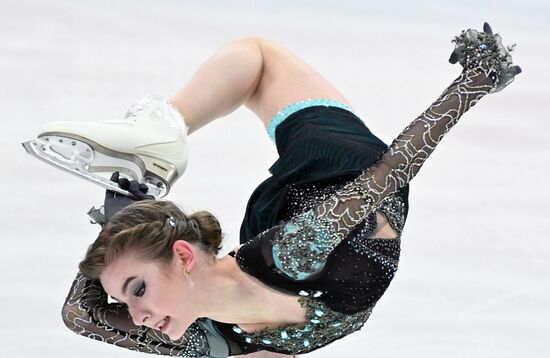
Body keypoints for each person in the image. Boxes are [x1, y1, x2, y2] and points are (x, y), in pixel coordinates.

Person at [55, 23, 520, 357]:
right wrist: (124, 226)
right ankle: (150, 163)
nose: (136, 317)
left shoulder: (291, 256)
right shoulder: (212, 338)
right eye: (129, 299)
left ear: (183, 256)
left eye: (136, 290)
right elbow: (82, 313)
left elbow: (391, 172)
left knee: (256, 57)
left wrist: (475, 82)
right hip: (315, 202)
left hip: (341, 166)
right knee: (256, 59)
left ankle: (160, 131)